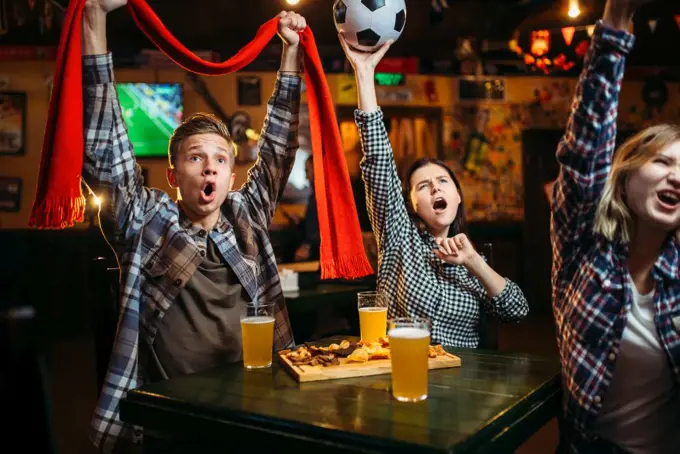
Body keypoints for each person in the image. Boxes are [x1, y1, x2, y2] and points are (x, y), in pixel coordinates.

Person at [80, 0, 307, 452]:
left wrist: (290, 52)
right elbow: (105, 147)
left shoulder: (247, 215)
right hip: (173, 423)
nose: (209, 169)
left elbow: (279, 148)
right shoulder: (146, 221)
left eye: (220, 160)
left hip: (253, 412)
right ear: (173, 176)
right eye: (196, 158)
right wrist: (95, 18)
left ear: (230, 174)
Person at [337, 35, 528, 348]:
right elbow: (379, 163)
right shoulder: (399, 238)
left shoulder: (471, 262)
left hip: (463, 381)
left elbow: (517, 311)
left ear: (457, 196)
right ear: (412, 204)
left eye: (443, 181)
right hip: (403, 367)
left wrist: (474, 263)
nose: (435, 187)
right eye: (422, 186)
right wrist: (364, 72)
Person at [550, 0, 680, 452]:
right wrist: (617, 22)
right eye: (662, 161)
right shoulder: (585, 244)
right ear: (625, 178)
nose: (677, 176)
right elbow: (585, 151)